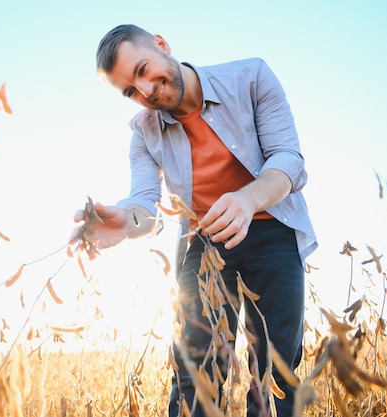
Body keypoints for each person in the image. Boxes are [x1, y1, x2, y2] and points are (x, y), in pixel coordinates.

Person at [70, 24, 317, 417]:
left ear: (162, 45)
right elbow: (144, 207)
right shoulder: (143, 134)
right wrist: (123, 218)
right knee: (194, 374)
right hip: (204, 247)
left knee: (275, 373)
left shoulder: (250, 77)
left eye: (143, 70)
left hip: (273, 230)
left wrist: (247, 199)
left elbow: (290, 161)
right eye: (131, 92)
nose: (147, 91)